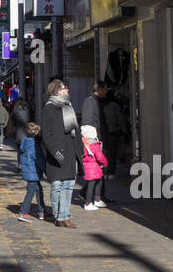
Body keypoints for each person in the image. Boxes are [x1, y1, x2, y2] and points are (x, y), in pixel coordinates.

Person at [40, 79, 83, 228]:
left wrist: (80, 151)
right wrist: (56, 152)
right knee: (57, 185)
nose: (67, 90)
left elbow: (75, 132)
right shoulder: (49, 109)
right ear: (57, 91)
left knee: (69, 185)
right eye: (65, 88)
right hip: (57, 153)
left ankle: (65, 216)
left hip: (71, 151)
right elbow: (46, 134)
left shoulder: (68, 106)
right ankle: (58, 217)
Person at [17, 122, 49, 221]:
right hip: (33, 171)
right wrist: (46, 171)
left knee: (38, 189)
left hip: (29, 170)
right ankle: (23, 212)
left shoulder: (25, 141)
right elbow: (38, 159)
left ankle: (42, 211)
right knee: (31, 192)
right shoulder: (33, 144)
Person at [101, 87, 129, 179]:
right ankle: (111, 172)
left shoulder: (102, 105)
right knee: (112, 153)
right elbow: (120, 119)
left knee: (106, 152)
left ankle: (107, 172)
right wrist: (125, 131)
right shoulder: (115, 105)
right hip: (114, 131)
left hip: (104, 132)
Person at [79, 125, 108, 210]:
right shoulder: (94, 144)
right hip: (94, 167)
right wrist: (105, 163)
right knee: (92, 185)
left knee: (98, 182)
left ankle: (97, 199)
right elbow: (100, 156)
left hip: (88, 167)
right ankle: (88, 203)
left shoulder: (83, 143)